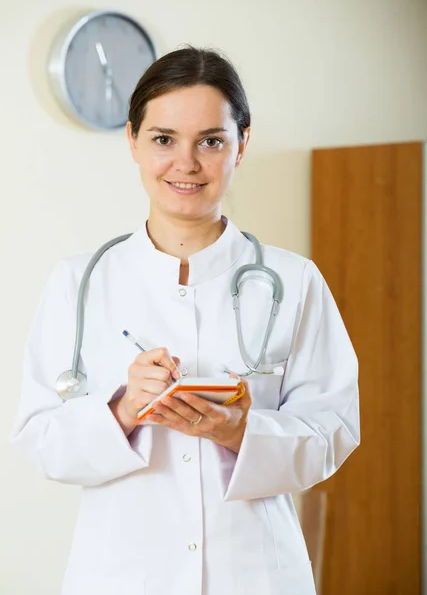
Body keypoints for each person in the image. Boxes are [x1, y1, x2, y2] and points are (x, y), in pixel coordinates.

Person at [11, 46, 360, 595]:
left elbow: (333, 432)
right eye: (163, 139)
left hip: (255, 574)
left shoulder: (294, 281)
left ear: (242, 143)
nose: (187, 163)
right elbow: (38, 440)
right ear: (132, 140)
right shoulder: (78, 282)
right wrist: (122, 409)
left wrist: (238, 429)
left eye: (211, 141)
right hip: (121, 575)